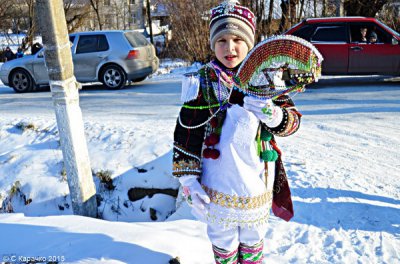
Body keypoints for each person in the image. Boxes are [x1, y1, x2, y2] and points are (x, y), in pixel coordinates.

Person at [172, 0, 302, 263]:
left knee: (254, 237)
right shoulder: (202, 82)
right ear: (212, 44)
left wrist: (273, 114)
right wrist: (187, 179)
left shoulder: (267, 78)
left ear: (250, 42)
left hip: (256, 180)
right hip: (218, 181)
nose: (229, 48)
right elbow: (186, 133)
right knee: (222, 237)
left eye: (237, 39)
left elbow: (293, 122)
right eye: (221, 40)